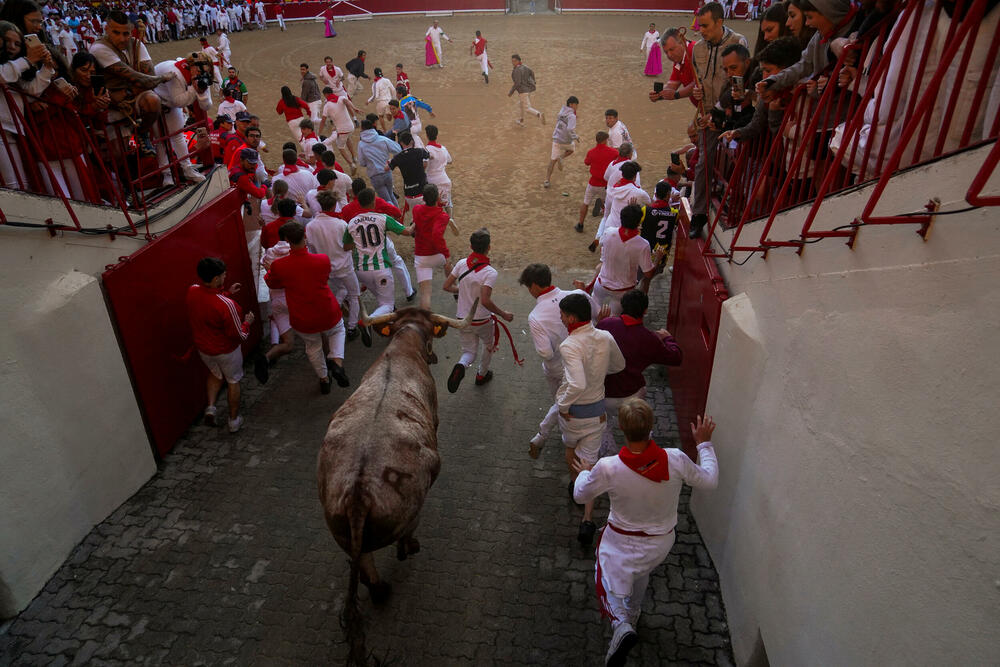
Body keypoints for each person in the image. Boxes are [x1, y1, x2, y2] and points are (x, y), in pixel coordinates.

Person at [572, 401, 719, 667]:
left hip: (619, 541)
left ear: (621, 428)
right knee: (640, 571)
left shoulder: (609, 467)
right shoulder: (675, 459)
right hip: (660, 543)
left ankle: (620, 624)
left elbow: (580, 494)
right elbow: (709, 480)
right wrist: (704, 445)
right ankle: (634, 612)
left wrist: (584, 473)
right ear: (651, 427)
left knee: (604, 575)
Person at [556, 292, 625, 545]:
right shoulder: (605, 337)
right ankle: (587, 518)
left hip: (574, 413)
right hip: (597, 413)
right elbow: (619, 365)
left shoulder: (569, 345)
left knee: (570, 451)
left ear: (572, 317)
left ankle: (576, 489)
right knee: (590, 463)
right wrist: (598, 370)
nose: (561, 318)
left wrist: (563, 404)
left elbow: (576, 383)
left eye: (563, 315)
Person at [519, 263, 602, 460]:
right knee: (565, 401)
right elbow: (597, 315)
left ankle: (546, 435)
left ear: (534, 286)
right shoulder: (578, 295)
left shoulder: (536, 316)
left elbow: (545, 353)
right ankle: (544, 434)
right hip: (587, 359)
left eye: (528, 287)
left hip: (557, 368)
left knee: (561, 400)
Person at [264, 220, 350, 394]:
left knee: (313, 347)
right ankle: (337, 362)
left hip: (302, 316)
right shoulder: (322, 260)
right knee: (338, 331)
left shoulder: (279, 266)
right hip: (326, 309)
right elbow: (324, 277)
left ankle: (324, 379)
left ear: (287, 241)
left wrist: (269, 270)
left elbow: (272, 283)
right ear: (305, 236)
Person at [596, 289, 683, 456]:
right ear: (645, 311)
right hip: (632, 396)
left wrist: (599, 322)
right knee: (637, 422)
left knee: (603, 424)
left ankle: (608, 452)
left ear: (622, 306)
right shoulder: (649, 338)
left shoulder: (606, 325)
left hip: (604, 394)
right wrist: (667, 338)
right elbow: (676, 357)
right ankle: (641, 448)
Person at [186, 256, 255, 433]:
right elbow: (240, 335)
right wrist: (247, 322)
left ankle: (210, 408)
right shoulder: (227, 305)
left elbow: (209, 302)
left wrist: (227, 292)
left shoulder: (192, 291)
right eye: (223, 276)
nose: (225, 278)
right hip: (226, 351)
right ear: (216, 279)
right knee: (233, 380)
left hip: (204, 349)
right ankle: (233, 420)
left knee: (215, 373)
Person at [89, 10, 169, 156]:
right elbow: (141, 79)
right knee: (118, 155)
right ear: (106, 29)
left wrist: (128, 91)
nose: (122, 38)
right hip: (109, 105)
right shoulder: (99, 48)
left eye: (126, 33)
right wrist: (162, 78)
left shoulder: (136, 44)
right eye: (116, 33)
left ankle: (142, 133)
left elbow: (148, 76)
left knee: (153, 101)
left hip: (125, 98)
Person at [443, 227, 513, 392]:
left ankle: (462, 364)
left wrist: (460, 290)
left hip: (462, 319)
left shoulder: (461, 264)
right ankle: (481, 374)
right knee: (488, 345)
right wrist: (503, 314)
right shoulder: (490, 273)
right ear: (489, 247)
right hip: (482, 320)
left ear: (470, 246)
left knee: (468, 352)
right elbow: (485, 300)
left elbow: (446, 286)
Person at [346, 187, 414, 320]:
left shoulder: (351, 223)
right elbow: (407, 231)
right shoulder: (382, 218)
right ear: (373, 203)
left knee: (382, 297)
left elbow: (346, 246)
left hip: (361, 271)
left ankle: (386, 318)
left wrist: (360, 241)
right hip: (380, 269)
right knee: (387, 304)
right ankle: (369, 320)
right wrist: (415, 222)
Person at [720, 36, 802, 143]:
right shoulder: (766, 91)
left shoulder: (802, 92)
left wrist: (773, 113)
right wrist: (737, 132)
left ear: (788, 70)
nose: (764, 77)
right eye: (763, 71)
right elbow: (756, 124)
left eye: (768, 70)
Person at [306, 189, 363, 341]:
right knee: (354, 294)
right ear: (334, 206)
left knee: (341, 289)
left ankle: (334, 310)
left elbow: (311, 248)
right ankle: (351, 327)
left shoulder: (311, 226)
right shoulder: (341, 224)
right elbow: (347, 245)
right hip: (344, 266)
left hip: (327, 268)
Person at [153, 52, 213, 185]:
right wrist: (193, 89)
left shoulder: (199, 75)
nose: (200, 73)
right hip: (156, 101)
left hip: (170, 103)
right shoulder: (175, 73)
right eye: (198, 70)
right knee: (160, 140)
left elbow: (206, 105)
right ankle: (166, 174)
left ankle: (187, 169)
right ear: (191, 66)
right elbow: (179, 101)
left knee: (178, 135)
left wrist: (202, 93)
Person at [591, 204, 659, 316]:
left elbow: (602, 248)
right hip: (623, 290)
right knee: (613, 321)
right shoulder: (642, 244)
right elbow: (648, 274)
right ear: (638, 223)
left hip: (602, 283)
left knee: (594, 313)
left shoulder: (608, 232)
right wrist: (657, 259)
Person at [411, 183, 453, 309]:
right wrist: (446, 255)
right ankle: (454, 287)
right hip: (437, 255)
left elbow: (426, 212)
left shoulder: (416, 209)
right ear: (437, 198)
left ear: (423, 198)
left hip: (421, 258)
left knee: (425, 295)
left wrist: (437, 203)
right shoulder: (443, 216)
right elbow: (436, 235)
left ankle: (425, 322)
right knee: (450, 264)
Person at [594, 161, 650, 245]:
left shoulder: (612, 189)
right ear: (635, 176)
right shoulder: (640, 193)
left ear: (622, 175)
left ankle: (599, 236)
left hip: (610, 229)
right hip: (627, 234)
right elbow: (651, 205)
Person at [577, 131, 617, 233]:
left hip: (592, 183)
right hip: (604, 185)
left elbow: (586, 162)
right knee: (609, 207)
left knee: (585, 203)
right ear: (605, 140)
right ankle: (609, 227)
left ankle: (580, 224)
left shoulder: (591, 152)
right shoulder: (613, 152)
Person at [356, 118, 401, 205]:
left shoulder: (361, 144)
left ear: (362, 129)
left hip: (375, 175)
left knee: (386, 201)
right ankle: (397, 215)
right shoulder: (382, 139)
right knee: (391, 196)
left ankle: (394, 217)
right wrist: (391, 161)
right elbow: (398, 149)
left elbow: (362, 163)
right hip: (387, 171)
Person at [389, 130, 431, 221]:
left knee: (416, 214)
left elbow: (388, 167)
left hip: (409, 195)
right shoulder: (419, 152)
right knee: (426, 216)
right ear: (412, 141)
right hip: (422, 192)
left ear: (401, 143)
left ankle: (414, 222)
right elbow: (428, 155)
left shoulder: (398, 157)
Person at [318, 85, 360, 168]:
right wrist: (354, 108)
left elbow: (323, 121)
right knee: (348, 139)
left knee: (340, 147)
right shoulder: (341, 98)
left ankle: (351, 164)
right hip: (351, 127)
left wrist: (319, 133)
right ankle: (354, 157)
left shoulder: (327, 105)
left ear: (326, 95)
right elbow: (347, 102)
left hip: (342, 129)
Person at [544, 96, 579, 189]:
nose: (577, 107)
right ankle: (562, 157)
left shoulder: (562, 110)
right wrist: (576, 136)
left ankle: (547, 180)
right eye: (576, 105)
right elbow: (570, 129)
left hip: (556, 138)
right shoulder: (572, 116)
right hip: (566, 141)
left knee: (552, 161)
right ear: (571, 104)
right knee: (572, 150)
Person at [423, 124, 454, 213]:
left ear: (427, 136)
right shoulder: (443, 149)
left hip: (432, 183)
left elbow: (424, 165)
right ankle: (450, 219)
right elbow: (450, 161)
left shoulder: (427, 150)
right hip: (445, 180)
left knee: (433, 205)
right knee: (447, 202)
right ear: (437, 135)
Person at [508, 54, 543, 126]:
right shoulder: (525, 67)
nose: (513, 63)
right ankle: (521, 120)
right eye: (512, 61)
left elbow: (517, 83)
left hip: (523, 91)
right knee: (520, 105)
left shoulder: (517, 70)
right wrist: (533, 81)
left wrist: (511, 92)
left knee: (527, 108)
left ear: (518, 61)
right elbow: (532, 72)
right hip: (528, 90)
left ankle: (539, 115)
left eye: (514, 61)